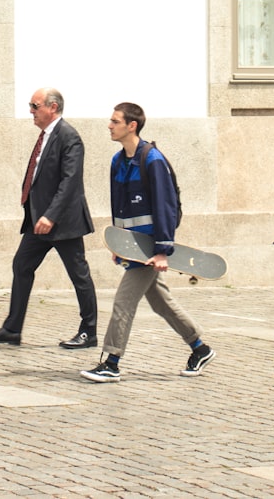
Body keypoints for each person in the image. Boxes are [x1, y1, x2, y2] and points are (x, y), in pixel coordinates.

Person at [81, 102, 215, 382]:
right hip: (134, 248)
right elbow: (118, 207)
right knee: (160, 302)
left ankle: (111, 361)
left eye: (115, 121)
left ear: (132, 126)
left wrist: (163, 251)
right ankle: (199, 348)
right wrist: (119, 247)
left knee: (123, 302)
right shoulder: (117, 162)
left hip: (150, 249)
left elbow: (165, 206)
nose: (109, 125)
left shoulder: (153, 160)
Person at [0, 88, 99, 349]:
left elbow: (70, 182)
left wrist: (51, 215)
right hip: (38, 222)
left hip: (62, 223)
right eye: (31, 106)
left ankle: (89, 331)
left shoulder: (69, 137)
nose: (31, 111)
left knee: (79, 275)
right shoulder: (45, 136)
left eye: (35, 106)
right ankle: (12, 329)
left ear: (52, 107)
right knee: (22, 266)